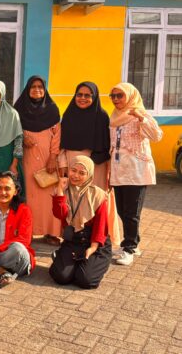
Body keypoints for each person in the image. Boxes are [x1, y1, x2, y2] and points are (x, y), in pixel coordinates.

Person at [108, 83, 162, 266]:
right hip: (118, 171)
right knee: (122, 211)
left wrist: (141, 118)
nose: (116, 99)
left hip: (136, 171)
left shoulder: (141, 114)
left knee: (132, 212)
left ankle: (129, 248)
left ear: (131, 96)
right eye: (113, 96)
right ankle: (134, 242)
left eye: (120, 95)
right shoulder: (114, 117)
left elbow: (157, 136)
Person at [49, 156, 111, 289]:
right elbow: (60, 214)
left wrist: (93, 247)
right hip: (73, 241)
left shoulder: (97, 195)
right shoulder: (64, 191)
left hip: (94, 242)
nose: (76, 175)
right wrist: (59, 190)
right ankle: (68, 261)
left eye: (82, 173)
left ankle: (94, 263)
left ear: (89, 175)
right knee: (61, 277)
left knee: (86, 280)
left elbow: (101, 225)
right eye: (73, 170)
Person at [14, 75, 62, 245]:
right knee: (30, 196)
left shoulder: (52, 109)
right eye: (33, 87)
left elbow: (57, 136)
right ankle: (28, 231)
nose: (37, 90)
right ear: (28, 89)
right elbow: (14, 130)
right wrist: (23, 136)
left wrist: (53, 158)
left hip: (47, 161)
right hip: (27, 160)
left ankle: (51, 232)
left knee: (49, 196)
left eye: (40, 87)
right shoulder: (19, 109)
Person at [58, 82, 110, 187]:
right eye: (79, 94)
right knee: (73, 195)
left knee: (94, 194)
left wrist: (110, 170)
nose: (82, 98)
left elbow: (107, 145)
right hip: (72, 162)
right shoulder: (69, 115)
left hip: (96, 164)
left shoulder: (102, 116)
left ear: (94, 97)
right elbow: (61, 144)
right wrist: (62, 164)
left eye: (87, 95)